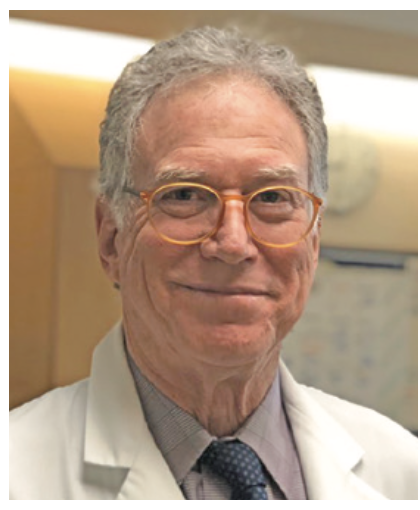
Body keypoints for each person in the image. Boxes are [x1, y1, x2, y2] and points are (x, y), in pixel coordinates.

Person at [9, 27, 417, 500]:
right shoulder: (16, 475)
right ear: (111, 238)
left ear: (314, 240)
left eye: (272, 198)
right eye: (185, 195)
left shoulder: (402, 472)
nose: (233, 243)